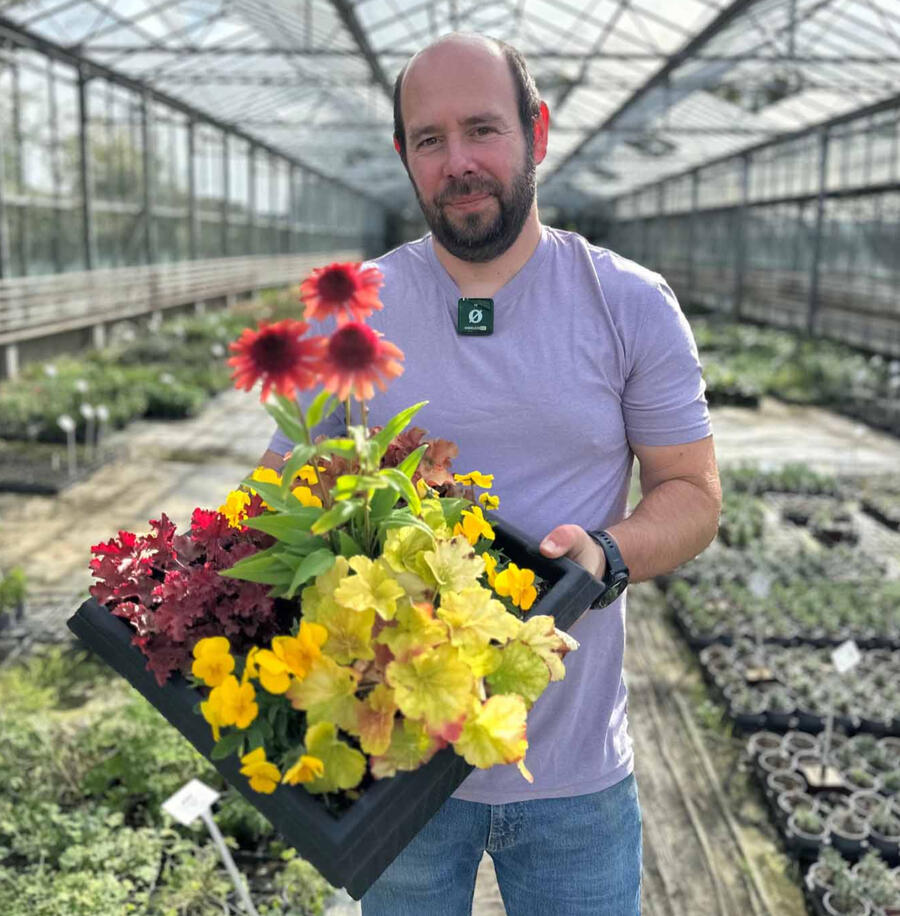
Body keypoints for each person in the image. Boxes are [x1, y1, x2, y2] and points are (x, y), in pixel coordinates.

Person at [259, 32, 721, 916]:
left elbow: (692, 495)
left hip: (571, 775)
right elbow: (283, 482)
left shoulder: (625, 301)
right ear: (404, 158)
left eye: (483, 129)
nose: (458, 161)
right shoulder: (357, 306)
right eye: (429, 140)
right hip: (396, 769)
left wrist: (606, 555)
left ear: (536, 132)